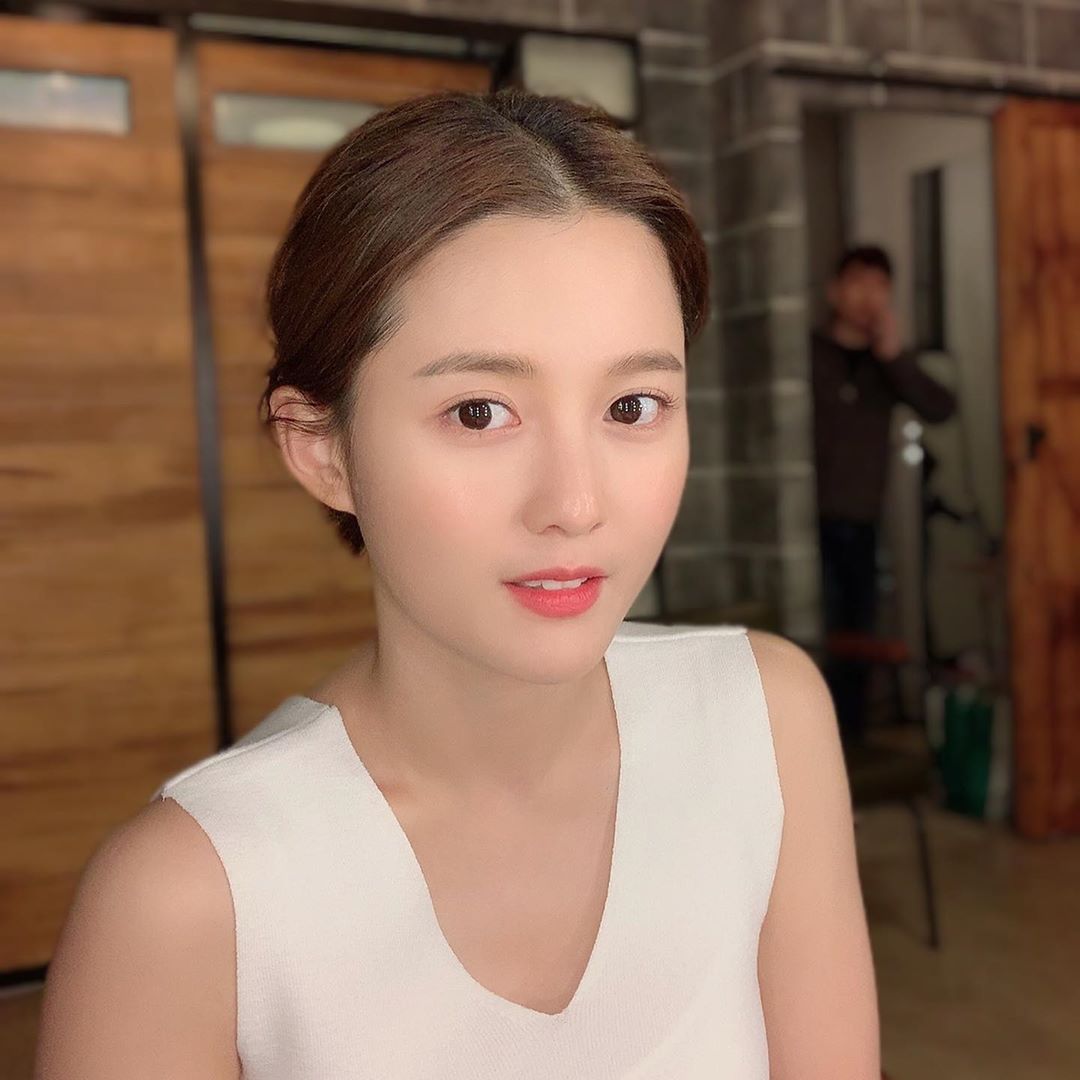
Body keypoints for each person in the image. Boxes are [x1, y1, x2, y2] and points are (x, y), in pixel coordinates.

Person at [35, 89, 879, 1079]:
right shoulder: (192, 898)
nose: (574, 504)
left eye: (633, 406)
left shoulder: (761, 724)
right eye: (480, 412)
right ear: (322, 449)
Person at [811, 245, 957, 747]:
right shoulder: (808, 352)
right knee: (809, 630)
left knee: (857, 634)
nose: (868, 296)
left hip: (861, 517)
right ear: (835, 291)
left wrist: (894, 355)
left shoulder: (887, 363)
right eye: (858, 282)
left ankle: (849, 744)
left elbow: (941, 407)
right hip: (806, 518)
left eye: (879, 286)